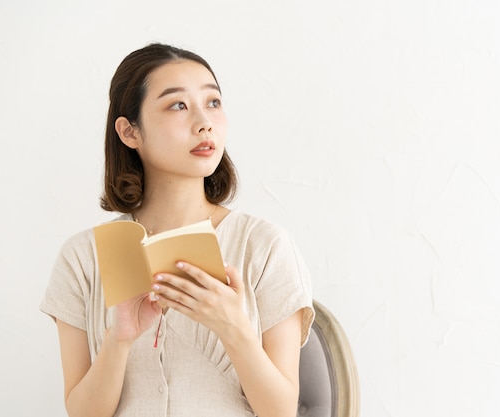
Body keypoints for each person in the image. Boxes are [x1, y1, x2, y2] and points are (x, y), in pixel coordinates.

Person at [40, 43, 314, 417]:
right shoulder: (83, 257)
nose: (204, 122)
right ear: (129, 131)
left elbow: (281, 412)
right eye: (178, 105)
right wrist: (118, 340)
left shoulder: (264, 246)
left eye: (213, 102)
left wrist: (232, 328)